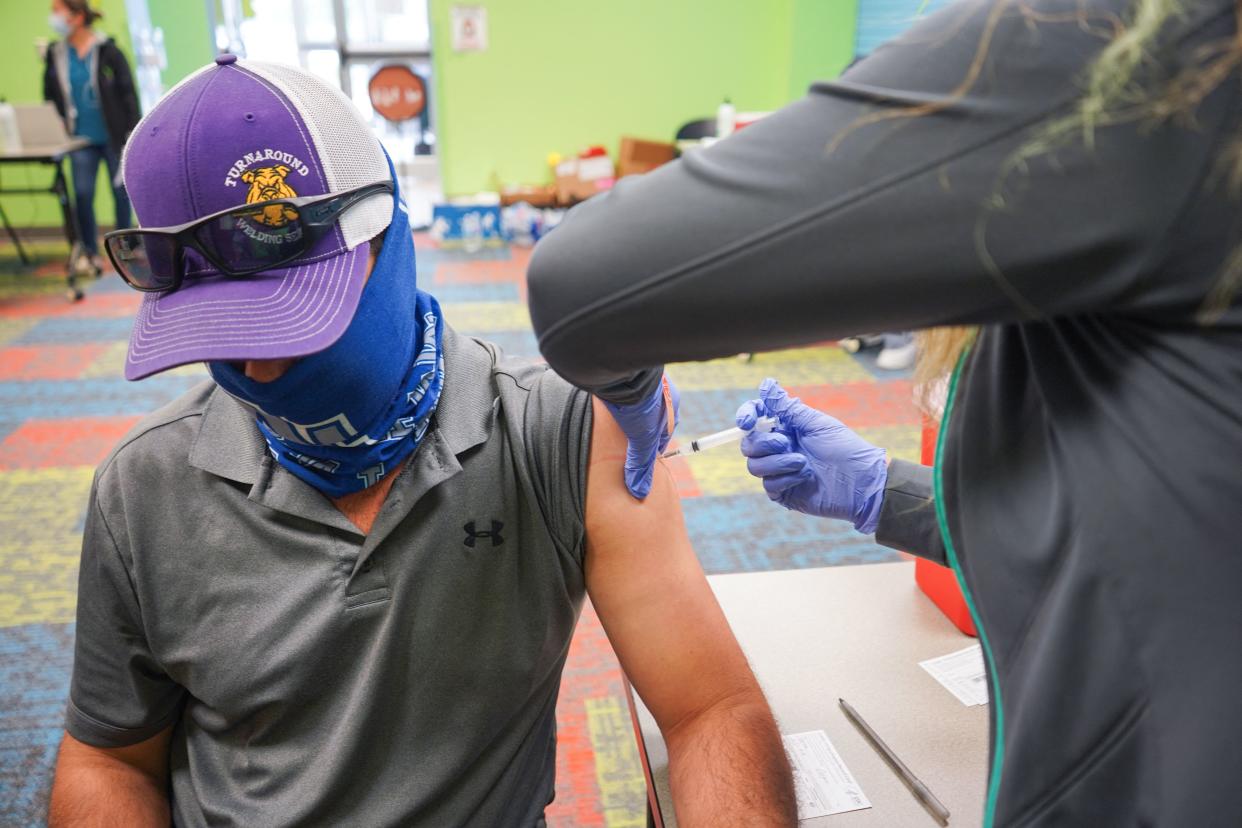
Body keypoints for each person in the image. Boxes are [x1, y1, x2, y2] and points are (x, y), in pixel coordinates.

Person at [525, 0, 1242, 825]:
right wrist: (891, 493)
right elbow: (1170, 516)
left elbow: (587, 288)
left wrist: (634, 395)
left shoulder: (1137, 47)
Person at [47, 57, 796, 827]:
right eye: (221, 334)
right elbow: (110, 757)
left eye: (294, 322)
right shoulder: (144, 487)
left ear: (387, 246)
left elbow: (710, 710)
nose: (258, 368)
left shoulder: (557, 434)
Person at [42, 0, 140, 272]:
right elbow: (50, 94)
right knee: (82, 194)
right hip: (80, 138)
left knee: (120, 193)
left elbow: (128, 94)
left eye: (57, 11)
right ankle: (89, 252)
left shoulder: (108, 50)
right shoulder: (56, 53)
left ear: (77, 16)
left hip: (113, 135)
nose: (54, 17)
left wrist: (132, 132)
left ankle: (126, 249)